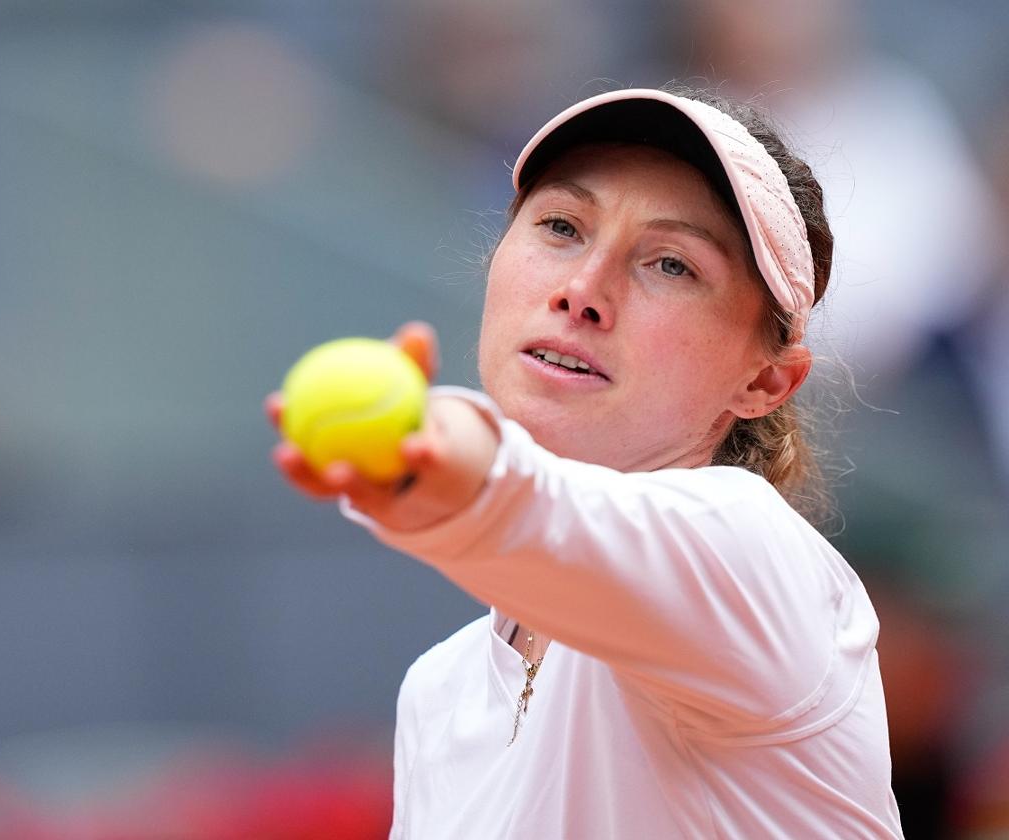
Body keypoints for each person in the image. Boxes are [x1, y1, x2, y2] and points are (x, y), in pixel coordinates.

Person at [267, 85, 904, 838]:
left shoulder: (754, 554)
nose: (583, 292)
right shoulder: (439, 692)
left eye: (671, 265)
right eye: (562, 226)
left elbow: (530, 506)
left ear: (765, 381)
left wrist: (431, 462)